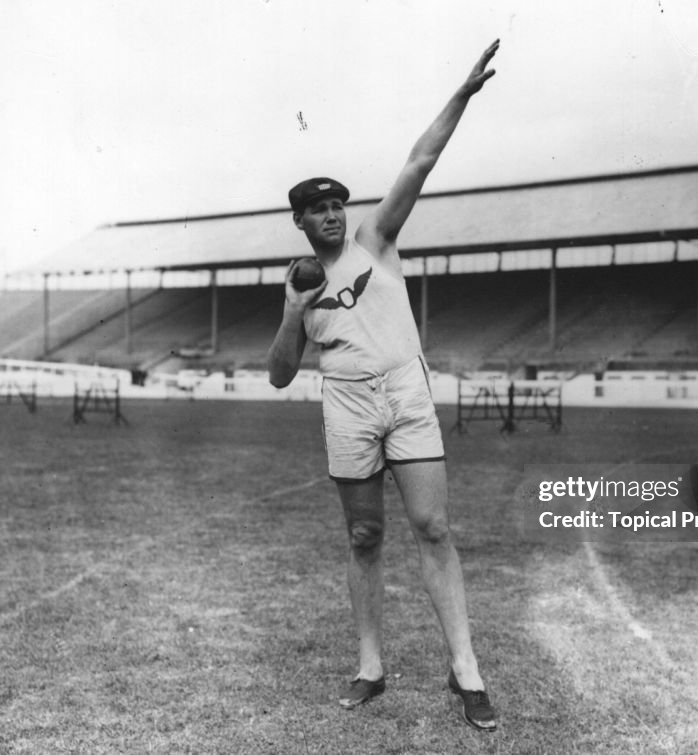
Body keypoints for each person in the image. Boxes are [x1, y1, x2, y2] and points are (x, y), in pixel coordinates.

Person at [266, 40, 500, 732]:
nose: (334, 214)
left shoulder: (376, 239)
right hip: (345, 402)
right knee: (365, 535)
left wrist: (460, 95)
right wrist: (292, 312)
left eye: (338, 203)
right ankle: (371, 665)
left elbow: (419, 162)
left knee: (434, 525)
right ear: (301, 223)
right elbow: (280, 374)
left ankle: (466, 670)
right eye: (320, 209)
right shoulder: (302, 283)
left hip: (404, 394)